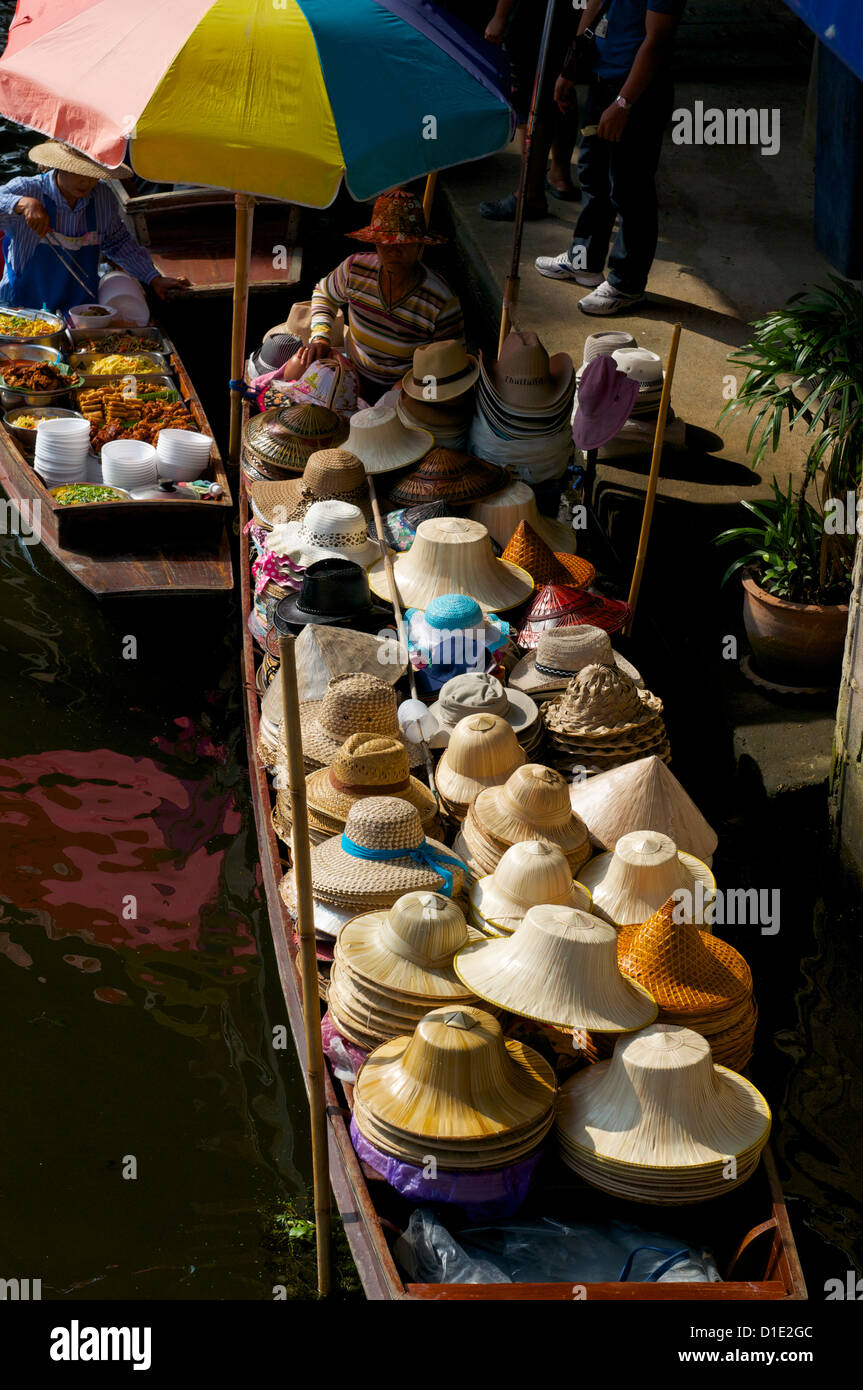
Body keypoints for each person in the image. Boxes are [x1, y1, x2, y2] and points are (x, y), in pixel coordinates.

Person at [535, 0, 684, 315]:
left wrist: (624, 104)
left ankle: (626, 284)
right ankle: (584, 261)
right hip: (602, 82)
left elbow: (657, 39)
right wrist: (570, 66)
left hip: (637, 94)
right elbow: (593, 4)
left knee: (630, 188)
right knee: (592, 172)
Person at [301, 189, 464, 402]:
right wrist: (321, 337)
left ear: (420, 245)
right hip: (352, 370)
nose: (393, 250)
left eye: (403, 243)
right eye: (385, 242)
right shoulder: (354, 269)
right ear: (375, 243)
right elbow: (324, 293)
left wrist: (408, 385)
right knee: (298, 367)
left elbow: (446, 359)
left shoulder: (441, 300)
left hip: (408, 387)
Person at [0, 142, 188, 313]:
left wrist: (153, 278)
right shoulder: (27, 189)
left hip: (80, 310)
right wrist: (23, 203)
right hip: (21, 307)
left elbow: (119, 243)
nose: (87, 182)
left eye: (93, 174)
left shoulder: (102, 198)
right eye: (79, 172)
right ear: (60, 165)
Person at [478, 0, 580, 220]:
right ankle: (559, 176)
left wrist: (500, 16)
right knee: (559, 86)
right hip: (572, 12)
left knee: (533, 94)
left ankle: (529, 194)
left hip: (539, 15)